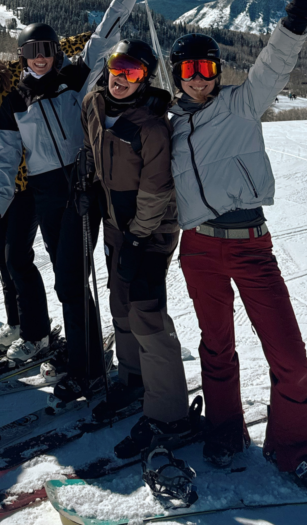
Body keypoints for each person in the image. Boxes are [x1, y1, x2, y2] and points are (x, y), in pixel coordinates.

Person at [170, 0, 307, 496]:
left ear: (218, 71)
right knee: (216, 349)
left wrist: (298, 14)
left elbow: (273, 63)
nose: (198, 76)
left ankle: (294, 448)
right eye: (188, 69)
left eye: (206, 67)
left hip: (250, 247)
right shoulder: (167, 127)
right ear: (176, 75)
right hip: (197, 249)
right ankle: (224, 433)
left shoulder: (243, 105)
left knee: (289, 356)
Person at [0, 0, 146, 384]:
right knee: (69, 281)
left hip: (84, 186)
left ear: (55, 51)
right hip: (48, 194)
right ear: (22, 57)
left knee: (70, 280)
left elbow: (105, 33)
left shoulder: (76, 77)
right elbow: (8, 161)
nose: (40, 58)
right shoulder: (14, 101)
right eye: (31, 53)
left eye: (45, 50)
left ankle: (87, 367)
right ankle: (84, 354)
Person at [80, 39, 198, 441]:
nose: (120, 79)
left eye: (131, 73)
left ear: (145, 78)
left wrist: (136, 239)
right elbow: (92, 148)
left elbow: (156, 190)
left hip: (153, 228)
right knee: (120, 300)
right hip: (117, 224)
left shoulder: (151, 126)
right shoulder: (93, 105)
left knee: (146, 308)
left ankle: (170, 412)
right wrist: (86, 178)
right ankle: (133, 380)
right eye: (117, 68)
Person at [0, 28, 91, 354]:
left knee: (18, 259)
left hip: (25, 181)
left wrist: (89, 35)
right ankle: (16, 324)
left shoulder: (11, 73)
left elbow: (54, 48)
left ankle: (36, 331)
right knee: (5, 262)